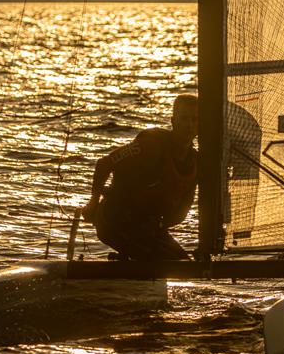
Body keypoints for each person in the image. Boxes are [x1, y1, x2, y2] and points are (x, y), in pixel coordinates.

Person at [81, 94, 198, 260]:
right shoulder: (151, 145)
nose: (189, 125)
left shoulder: (195, 163)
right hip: (114, 218)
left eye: (195, 120)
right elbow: (104, 164)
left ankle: (129, 267)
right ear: (173, 121)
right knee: (164, 261)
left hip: (147, 229)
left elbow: (183, 208)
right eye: (184, 119)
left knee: (182, 263)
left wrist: (161, 225)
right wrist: (92, 204)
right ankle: (129, 263)